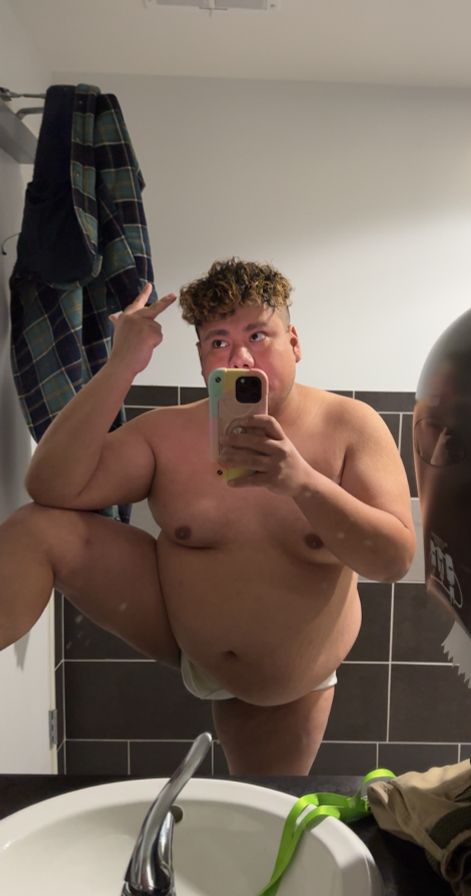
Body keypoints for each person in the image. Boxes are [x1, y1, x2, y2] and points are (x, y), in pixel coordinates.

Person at [0, 259, 415, 775]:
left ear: (294, 343)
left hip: (285, 680)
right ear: (201, 360)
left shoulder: (350, 425)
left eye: (257, 335)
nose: (240, 357)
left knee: (260, 805)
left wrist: (302, 483)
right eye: (218, 342)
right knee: (36, 529)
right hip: (176, 628)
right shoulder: (166, 434)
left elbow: (393, 560)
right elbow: (50, 486)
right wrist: (121, 366)